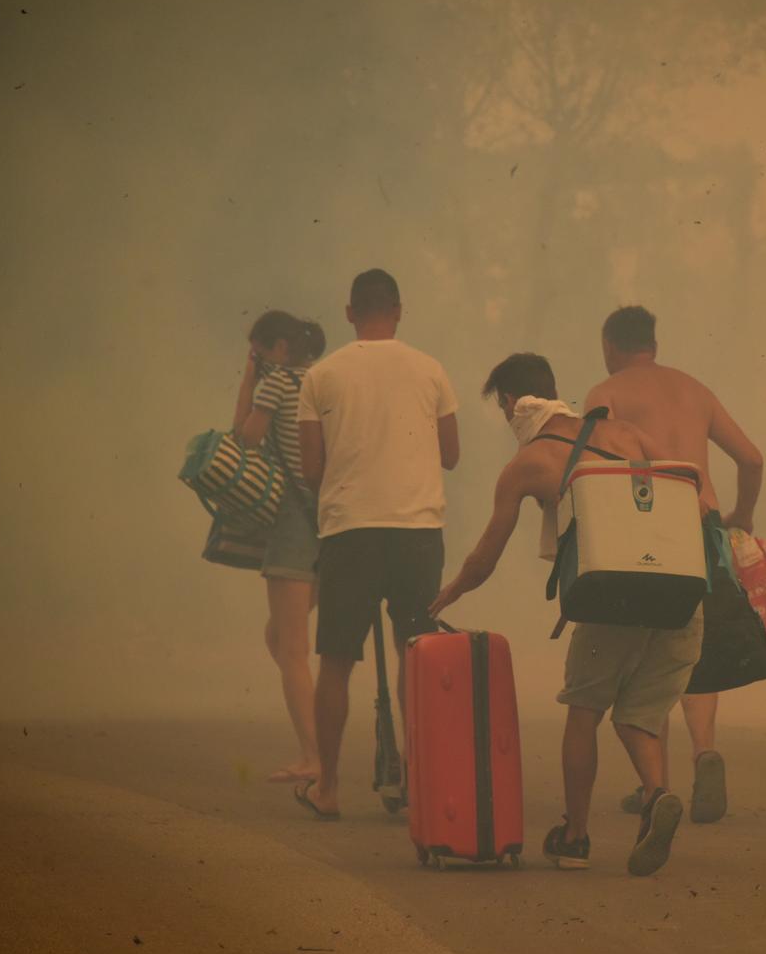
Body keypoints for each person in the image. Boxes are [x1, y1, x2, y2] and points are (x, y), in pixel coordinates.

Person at [429, 352, 703, 876]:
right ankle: (656, 795)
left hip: (611, 601)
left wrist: (452, 591)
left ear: (511, 403)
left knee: (584, 711)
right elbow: (689, 496)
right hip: (676, 596)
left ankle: (575, 838)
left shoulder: (528, 465)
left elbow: (486, 555)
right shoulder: (625, 434)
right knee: (640, 715)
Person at [584, 306, 766, 825]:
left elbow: (596, 466)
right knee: (696, 648)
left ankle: (656, 785)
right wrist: (742, 516)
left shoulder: (607, 393)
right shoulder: (695, 389)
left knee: (654, 652)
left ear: (610, 346)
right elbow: (752, 458)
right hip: (705, 523)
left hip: (647, 528)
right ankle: (704, 752)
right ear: (653, 344)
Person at [292, 269, 460, 820]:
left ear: (349, 313)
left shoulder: (320, 375)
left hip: (350, 531)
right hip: (417, 531)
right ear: (399, 310)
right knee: (415, 650)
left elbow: (311, 468)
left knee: (336, 660)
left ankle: (329, 787)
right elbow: (451, 454)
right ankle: (417, 777)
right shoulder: (431, 370)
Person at [232, 310, 327, 784]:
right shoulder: (322, 380)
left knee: (290, 649)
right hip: (331, 518)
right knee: (282, 640)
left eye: (261, 352)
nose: (259, 360)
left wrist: (250, 378)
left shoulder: (278, 383)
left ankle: (314, 756)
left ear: (281, 349)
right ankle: (316, 737)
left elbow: (245, 437)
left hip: (295, 522)